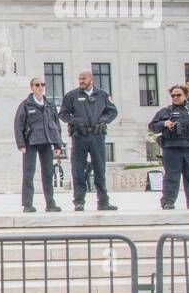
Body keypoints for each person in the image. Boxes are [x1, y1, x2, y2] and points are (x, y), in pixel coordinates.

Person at [59, 69, 119, 212]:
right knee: (78, 169)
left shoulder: (103, 95)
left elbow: (112, 111)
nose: (81, 81)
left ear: (91, 80)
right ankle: (79, 202)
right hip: (79, 136)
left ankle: (103, 201)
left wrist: (103, 121)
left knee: (100, 169)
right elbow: (63, 113)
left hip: (97, 136)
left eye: (84, 79)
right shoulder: (71, 95)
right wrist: (74, 121)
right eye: (80, 79)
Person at [149, 82, 189, 210]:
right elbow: (152, 127)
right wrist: (164, 124)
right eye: (173, 95)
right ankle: (168, 201)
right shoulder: (166, 112)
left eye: (178, 95)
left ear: (185, 95)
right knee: (171, 176)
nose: (175, 97)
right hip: (172, 148)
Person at [13, 78, 63, 213]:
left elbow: (56, 125)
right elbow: (18, 125)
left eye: (42, 85)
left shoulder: (49, 104)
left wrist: (58, 144)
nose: (40, 87)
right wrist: (21, 144)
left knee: (48, 173)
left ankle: (50, 203)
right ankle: (28, 204)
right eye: (37, 85)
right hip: (31, 142)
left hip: (47, 142)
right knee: (28, 173)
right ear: (32, 87)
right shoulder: (26, 104)